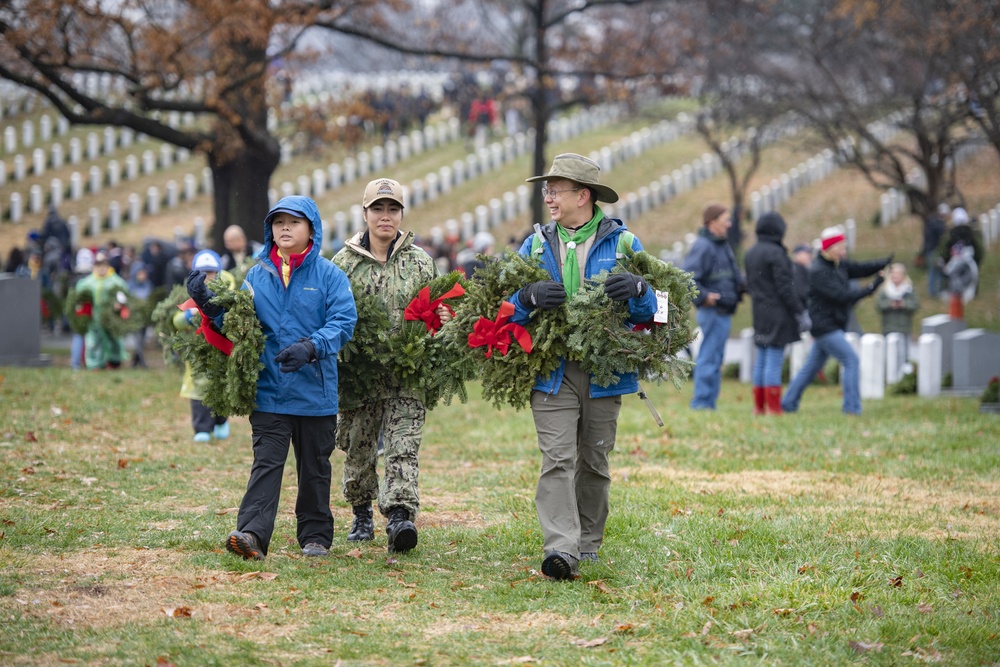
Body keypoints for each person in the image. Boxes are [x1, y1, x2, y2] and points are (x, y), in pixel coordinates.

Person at [508, 153, 657, 580]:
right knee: (557, 459)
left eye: (556, 190)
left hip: (605, 371)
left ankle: (588, 544)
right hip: (551, 369)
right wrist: (527, 298)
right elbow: (502, 308)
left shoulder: (624, 243)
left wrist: (640, 288)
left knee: (593, 460)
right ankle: (561, 548)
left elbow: (658, 311)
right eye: (547, 190)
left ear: (583, 195)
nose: (549, 198)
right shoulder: (534, 244)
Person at [187, 195, 357, 560]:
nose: (285, 227)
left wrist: (313, 346)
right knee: (266, 463)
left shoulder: (330, 275)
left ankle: (315, 536)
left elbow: (344, 322)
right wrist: (209, 306)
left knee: (314, 467)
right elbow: (240, 326)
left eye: (294, 222)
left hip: (316, 392)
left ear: (311, 228)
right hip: (270, 390)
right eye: (278, 221)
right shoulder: (256, 274)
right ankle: (251, 534)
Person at [333, 178, 448, 554]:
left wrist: (443, 319)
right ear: (364, 213)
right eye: (378, 209)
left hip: (407, 374)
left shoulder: (421, 263)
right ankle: (362, 510)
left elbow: (438, 313)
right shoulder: (343, 264)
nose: (386, 217)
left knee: (403, 446)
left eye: (393, 209)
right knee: (358, 447)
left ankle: (400, 516)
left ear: (401, 214)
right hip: (360, 376)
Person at [781, 226, 891, 415]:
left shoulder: (838, 265)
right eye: (840, 247)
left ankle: (788, 403)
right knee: (851, 360)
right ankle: (852, 408)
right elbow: (843, 296)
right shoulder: (819, 271)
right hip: (825, 326)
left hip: (832, 324)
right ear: (828, 249)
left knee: (810, 368)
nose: (844, 251)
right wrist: (873, 286)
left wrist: (882, 263)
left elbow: (860, 269)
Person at [682, 203, 747, 410]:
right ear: (711, 222)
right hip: (712, 311)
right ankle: (702, 403)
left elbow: (733, 275)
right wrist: (705, 297)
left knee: (715, 358)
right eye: (725, 220)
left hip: (724, 311)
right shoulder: (703, 246)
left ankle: (709, 402)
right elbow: (687, 279)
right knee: (709, 358)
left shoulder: (722, 244)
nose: (729, 224)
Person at [743, 212, 808, 415]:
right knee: (774, 359)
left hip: (759, 310)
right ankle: (774, 407)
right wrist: (800, 311)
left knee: (761, 357)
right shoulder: (776, 253)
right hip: (778, 312)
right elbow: (785, 288)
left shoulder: (750, 253)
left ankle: (759, 407)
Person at [175, 250, 235, 441]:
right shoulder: (190, 295)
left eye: (211, 272)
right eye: (202, 272)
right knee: (199, 389)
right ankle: (201, 428)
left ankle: (220, 421)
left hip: (220, 349)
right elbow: (176, 320)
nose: (207, 277)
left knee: (221, 386)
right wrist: (187, 316)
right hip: (198, 353)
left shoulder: (227, 293)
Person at [74, 250, 131, 370]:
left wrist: (119, 305)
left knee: (113, 339)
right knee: (93, 341)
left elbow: (123, 295)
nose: (101, 268)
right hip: (94, 318)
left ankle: (114, 362)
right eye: (98, 265)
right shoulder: (87, 282)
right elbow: (79, 298)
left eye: (103, 265)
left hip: (110, 318)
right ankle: (95, 364)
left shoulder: (115, 281)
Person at [876, 262, 920, 362]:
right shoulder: (885, 290)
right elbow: (879, 305)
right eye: (893, 273)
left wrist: (904, 304)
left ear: (903, 275)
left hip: (904, 327)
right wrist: (890, 304)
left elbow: (916, 305)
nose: (895, 276)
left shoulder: (909, 290)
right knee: (888, 354)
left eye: (898, 273)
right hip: (888, 327)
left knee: (903, 354)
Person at [126, 262, 153, 368]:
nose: (143, 275)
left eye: (144, 273)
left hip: (145, 317)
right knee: (138, 340)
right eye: (141, 273)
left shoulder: (148, 284)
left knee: (142, 339)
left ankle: (134, 362)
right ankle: (142, 363)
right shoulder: (129, 285)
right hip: (135, 317)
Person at [942, 243, 978, 321]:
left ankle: (956, 323)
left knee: (956, 310)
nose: (952, 253)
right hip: (960, 288)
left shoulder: (962, 261)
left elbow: (950, 271)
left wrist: (942, 265)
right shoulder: (965, 259)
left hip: (959, 289)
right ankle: (956, 322)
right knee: (956, 309)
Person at [922, 204, 948, 297]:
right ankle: (935, 292)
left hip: (930, 249)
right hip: (934, 250)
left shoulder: (930, 221)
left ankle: (934, 291)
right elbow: (942, 235)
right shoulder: (937, 224)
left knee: (934, 271)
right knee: (936, 271)